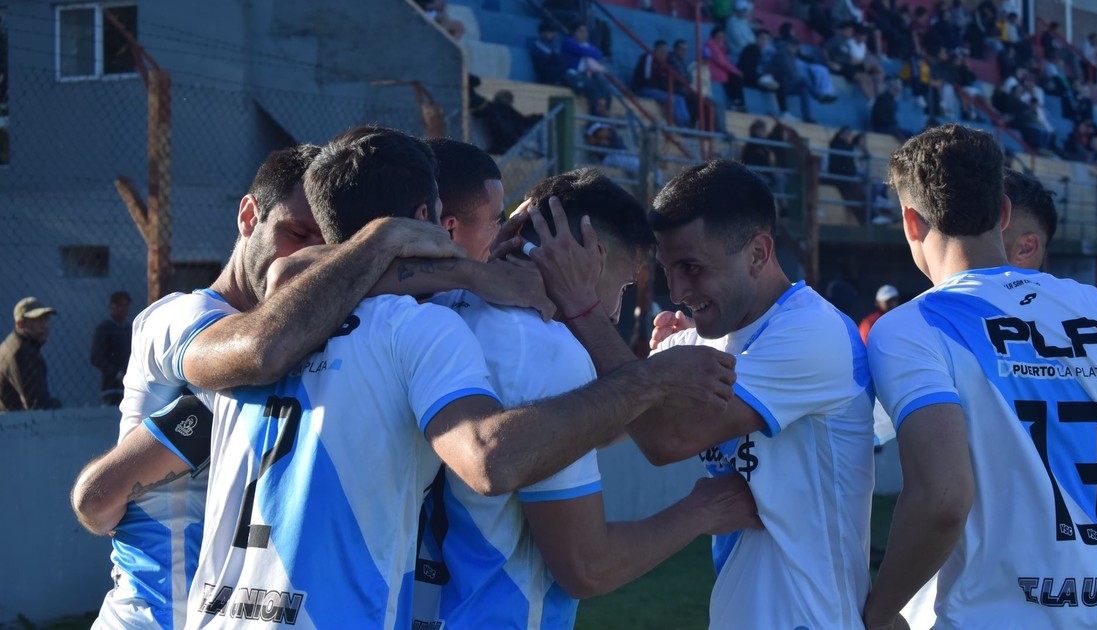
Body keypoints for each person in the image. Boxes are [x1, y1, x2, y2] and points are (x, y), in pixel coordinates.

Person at [130, 127, 737, 628]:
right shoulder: (464, 334)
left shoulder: (277, 323)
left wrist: (466, 273)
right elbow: (562, 538)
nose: (619, 306)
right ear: (429, 219)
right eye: (626, 286)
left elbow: (294, 276)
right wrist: (696, 489)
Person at [72, 144, 550, 629]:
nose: (309, 257)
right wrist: (402, 245)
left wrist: (481, 254)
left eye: (327, 245)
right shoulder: (185, 319)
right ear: (248, 216)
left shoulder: (319, 336)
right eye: (296, 233)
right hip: (148, 617)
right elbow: (259, 350)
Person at [864, 124, 1097, 629]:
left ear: (911, 222)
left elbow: (940, 500)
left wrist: (878, 610)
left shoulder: (911, 327)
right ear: (1003, 212)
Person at [525, 159, 876, 629]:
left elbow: (666, 438)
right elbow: (605, 426)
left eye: (692, 267)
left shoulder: (813, 333)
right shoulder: (697, 341)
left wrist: (581, 304)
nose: (677, 292)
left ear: (757, 254)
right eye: (668, 269)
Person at [414, 163, 760, 628]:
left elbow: (571, 427)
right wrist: (705, 510)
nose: (616, 310)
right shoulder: (548, 349)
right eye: (623, 284)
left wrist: (657, 390)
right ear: (592, 256)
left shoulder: (437, 308)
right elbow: (587, 568)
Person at [0, 296, 59, 411]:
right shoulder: (22, 353)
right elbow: (37, 405)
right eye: (37, 320)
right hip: (16, 420)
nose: (45, 325)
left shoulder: (13, 344)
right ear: (20, 324)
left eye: (46, 319)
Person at [633, 40, 692, 127]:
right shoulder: (648, 57)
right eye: (661, 50)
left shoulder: (663, 63)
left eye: (665, 51)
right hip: (644, 89)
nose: (663, 53)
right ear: (656, 50)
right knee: (673, 99)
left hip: (656, 90)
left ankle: (687, 123)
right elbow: (647, 78)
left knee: (680, 98)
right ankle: (681, 125)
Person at [90, 290, 132, 406]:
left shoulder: (130, 329)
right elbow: (96, 358)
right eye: (119, 305)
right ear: (111, 307)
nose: (122, 309)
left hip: (130, 387)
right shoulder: (104, 329)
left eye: (125, 305)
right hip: (111, 388)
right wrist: (117, 374)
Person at [705, 25, 746, 110]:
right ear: (714, 37)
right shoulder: (710, 44)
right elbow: (721, 61)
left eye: (723, 37)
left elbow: (726, 62)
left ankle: (738, 103)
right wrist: (735, 70)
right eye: (719, 36)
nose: (721, 39)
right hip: (713, 72)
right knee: (735, 76)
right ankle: (737, 102)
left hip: (722, 71)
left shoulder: (722, 47)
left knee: (737, 76)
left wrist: (735, 70)